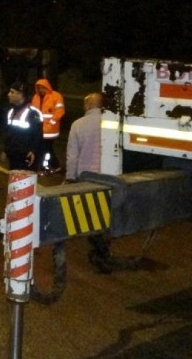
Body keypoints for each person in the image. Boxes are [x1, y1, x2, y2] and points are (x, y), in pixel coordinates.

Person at [65, 91, 111, 273]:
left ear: (89, 105)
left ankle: (97, 247)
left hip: (86, 175)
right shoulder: (111, 123)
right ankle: (103, 245)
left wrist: (70, 177)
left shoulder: (78, 124)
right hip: (107, 175)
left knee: (89, 211)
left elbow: (72, 155)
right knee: (104, 209)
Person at [1, 81, 43, 171]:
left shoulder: (33, 113)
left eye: (12, 92)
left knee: (26, 183)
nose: (8, 94)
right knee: (14, 183)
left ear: (20, 95)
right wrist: (6, 150)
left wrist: (33, 151)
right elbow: (9, 133)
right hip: (14, 156)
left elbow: (38, 135)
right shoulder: (11, 112)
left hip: (26, 157)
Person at [31, 78, 66, 174]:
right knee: (45, 149)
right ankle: (49, 166)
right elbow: (33, 112)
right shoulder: (36, 97)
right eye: (38, 88)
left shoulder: (56, 96)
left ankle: (50, 166)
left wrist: (51, 122)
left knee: (45, 149)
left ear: (46, 87)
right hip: (40, 129)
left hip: (51, 130)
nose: (40, 90)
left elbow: (60, 112)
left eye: (42, 88)